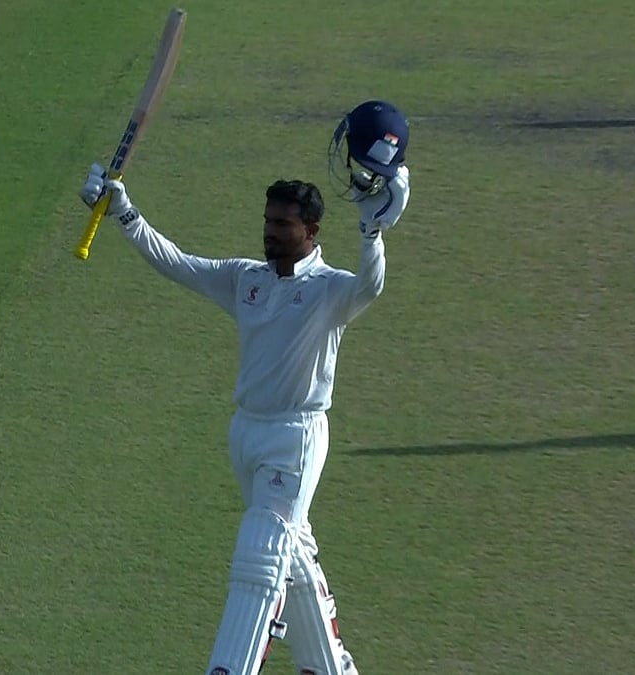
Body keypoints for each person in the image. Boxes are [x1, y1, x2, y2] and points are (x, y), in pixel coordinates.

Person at [79, 100, 411, 675]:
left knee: (262, 553)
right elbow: (177, 263)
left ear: (311, 231)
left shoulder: (333, 291)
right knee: (293, 552)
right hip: (247, 435)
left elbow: (372, 287)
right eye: (267, 222)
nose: (271, 234)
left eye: (283, 226)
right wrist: (125, 213)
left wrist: (372, 229)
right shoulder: (246, 280)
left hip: (296, 434)